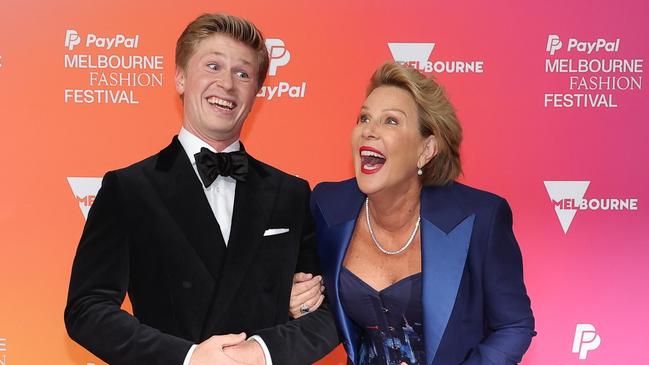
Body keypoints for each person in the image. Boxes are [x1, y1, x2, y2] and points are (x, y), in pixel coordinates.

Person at [64, 13, 337, 365]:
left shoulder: (292, 193)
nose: (227, 84)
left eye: (242, 73)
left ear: (257, 92)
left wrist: (264, 351)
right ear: (180, 78)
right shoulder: (129, 189)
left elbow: (330, 312)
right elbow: (87, 309)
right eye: (213, 66)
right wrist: (187, 358)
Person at [307, 62, 535, 364]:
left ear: (425, 150)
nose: (369, 131)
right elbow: (314, 302)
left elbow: (514, 325)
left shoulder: (481, 217)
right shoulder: (327, 205)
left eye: (390, 121)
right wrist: (298, 300)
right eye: (364, 118)